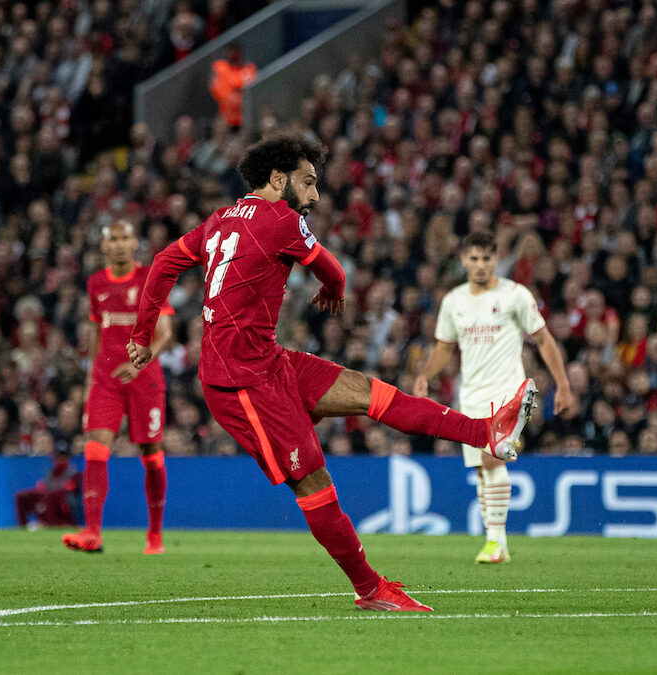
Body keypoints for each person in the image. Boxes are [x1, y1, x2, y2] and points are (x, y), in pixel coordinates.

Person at [127, 133, 535, 612]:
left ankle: (487, 432)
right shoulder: (281, 218)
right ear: (279, 179)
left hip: (270, 361)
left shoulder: (218, 220)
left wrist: (141, 335)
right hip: (241, 382)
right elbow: (335, 272)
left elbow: (161, 262)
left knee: (371, 393)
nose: (316, 195)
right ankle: (369, 589)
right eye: (308, 182)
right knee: (313, 481)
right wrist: (334, 292)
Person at [414, 230, 573, 564]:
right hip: (470, 395)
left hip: (508, 392)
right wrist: (425, 376)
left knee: (491, 459)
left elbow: (543, 339)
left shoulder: (515, 295)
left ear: (496, 259)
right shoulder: (453, 301)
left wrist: (563, 383)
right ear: (463, 260)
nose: (480, 265)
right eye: (474, 258)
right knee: (482, 471)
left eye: (486, 258)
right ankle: (497, 541)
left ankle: (495, 541)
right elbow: (445, 347)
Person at [62, 221, 175, 555]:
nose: (122, 244)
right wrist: (90, 381)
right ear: (104, 247)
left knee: (151, 455)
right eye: (114, 239)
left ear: (135, 242)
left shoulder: (150, 279)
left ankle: (155, 536)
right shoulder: (95, 283)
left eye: (127, 237)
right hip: (105, 380)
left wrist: (139, 360)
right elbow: (98, 332)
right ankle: (92, 532)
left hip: (145, 379)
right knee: (95, 448)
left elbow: (165, 333)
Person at [16, 448, 80, 529]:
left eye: (63, 458)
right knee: (22, 496)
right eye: (58, 458)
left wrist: (52, 490)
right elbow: (43, 486)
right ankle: (23, 525)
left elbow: (70, 488)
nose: (60, 460)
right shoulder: (51, 472)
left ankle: (49, 523)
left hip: (66, 500)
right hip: (48, 497)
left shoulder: (73, 472)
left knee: (50, 496)